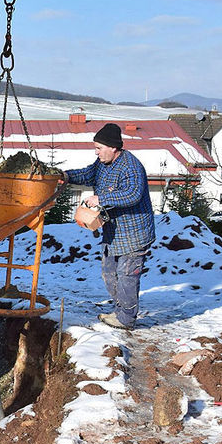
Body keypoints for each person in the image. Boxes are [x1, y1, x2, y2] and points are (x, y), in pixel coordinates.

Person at [64, 123, 155, 329]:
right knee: (108, 273)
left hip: (134, 232)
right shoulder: (102, 164)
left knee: (127, 276)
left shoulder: (131, 166)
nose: (96, 152)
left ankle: (126, 319)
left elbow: (133, 194)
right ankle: (121, 309)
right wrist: (66, 176)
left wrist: (101, 198)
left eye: (99, 148)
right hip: (113, 232)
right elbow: (88, 174)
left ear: (113, 147)